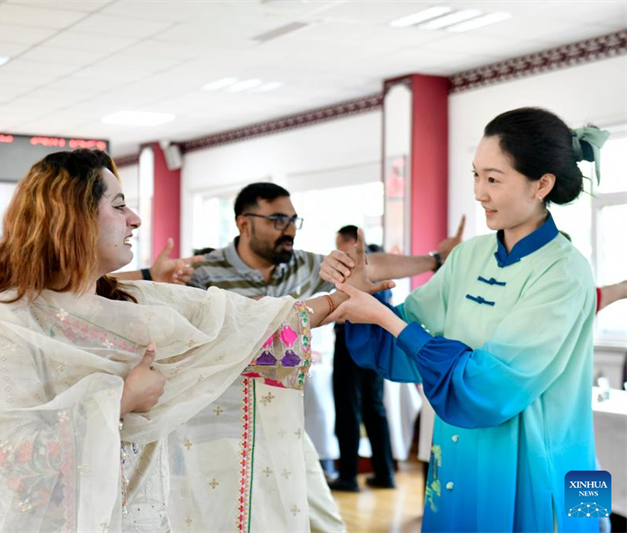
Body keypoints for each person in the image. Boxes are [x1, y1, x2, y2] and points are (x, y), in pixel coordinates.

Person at [0, 148, 379, 532]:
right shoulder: (4, 321)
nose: (134, 219)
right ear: (72, 218)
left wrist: (341, 297)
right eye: (119, 206)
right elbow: (10, 459)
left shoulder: (129, 302)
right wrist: (120, 400)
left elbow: (247, 325)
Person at [322, 107, 610, 532]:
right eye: (476, 175)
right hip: (459, 454)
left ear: (542, 185)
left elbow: (489, 384)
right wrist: (362, 291)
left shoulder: (566, 271)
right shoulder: (469, 255)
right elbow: (406, 338)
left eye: (493, 179)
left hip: (545, 466)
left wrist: (387, 321)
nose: (479, 192)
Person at [171, 182, 465, 533]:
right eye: (278, 220)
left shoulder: (300, 265)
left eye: (294, 220)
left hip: (283, 418)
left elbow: (369, 266)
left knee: (324, 521)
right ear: (244, 224)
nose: (290, 230)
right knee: (228, 521)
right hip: (219, 422)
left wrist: (435, 259)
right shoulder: (202, 273)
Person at [329, 226, 396, 492]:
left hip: (351, 342)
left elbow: (343, 310)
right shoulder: (380, 264)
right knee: (375, 409)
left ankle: (348, 475)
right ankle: (385, 472)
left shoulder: (354, 267)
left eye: (339, 244)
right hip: (377, 344)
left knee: (348, 409)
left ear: (349, 242)